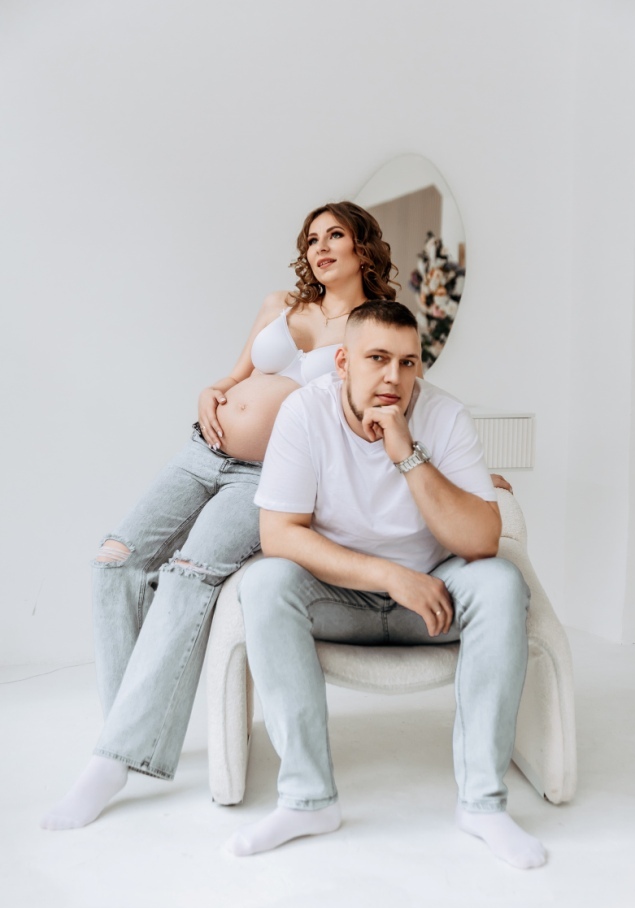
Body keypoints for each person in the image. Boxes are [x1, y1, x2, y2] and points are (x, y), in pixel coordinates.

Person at [40, 201, 400, 830]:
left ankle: (112, 762)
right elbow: (235, 376)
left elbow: (397, 404)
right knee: (115, 561)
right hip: (202, 451)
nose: (320, 247)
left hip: (268, 479)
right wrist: (213, 390)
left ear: (363, 246)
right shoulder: (279, 305)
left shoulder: (374, 331)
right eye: (312, 238)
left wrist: (458, 468)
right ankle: (129, 732)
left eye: (335, 235)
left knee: (188, 574)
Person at [227, 300, 546, 869]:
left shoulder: (444, 416)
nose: (394, 377)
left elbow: (481, 541)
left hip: (434, 602)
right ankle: (306, 800)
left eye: (407, 362)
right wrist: (390, 576)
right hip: (340, 600)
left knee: (501, 582)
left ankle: (483, 805)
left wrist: (407, 453)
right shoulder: (305, 412)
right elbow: (279, 535)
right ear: (343, 362)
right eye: (377, 358)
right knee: (264, 582)